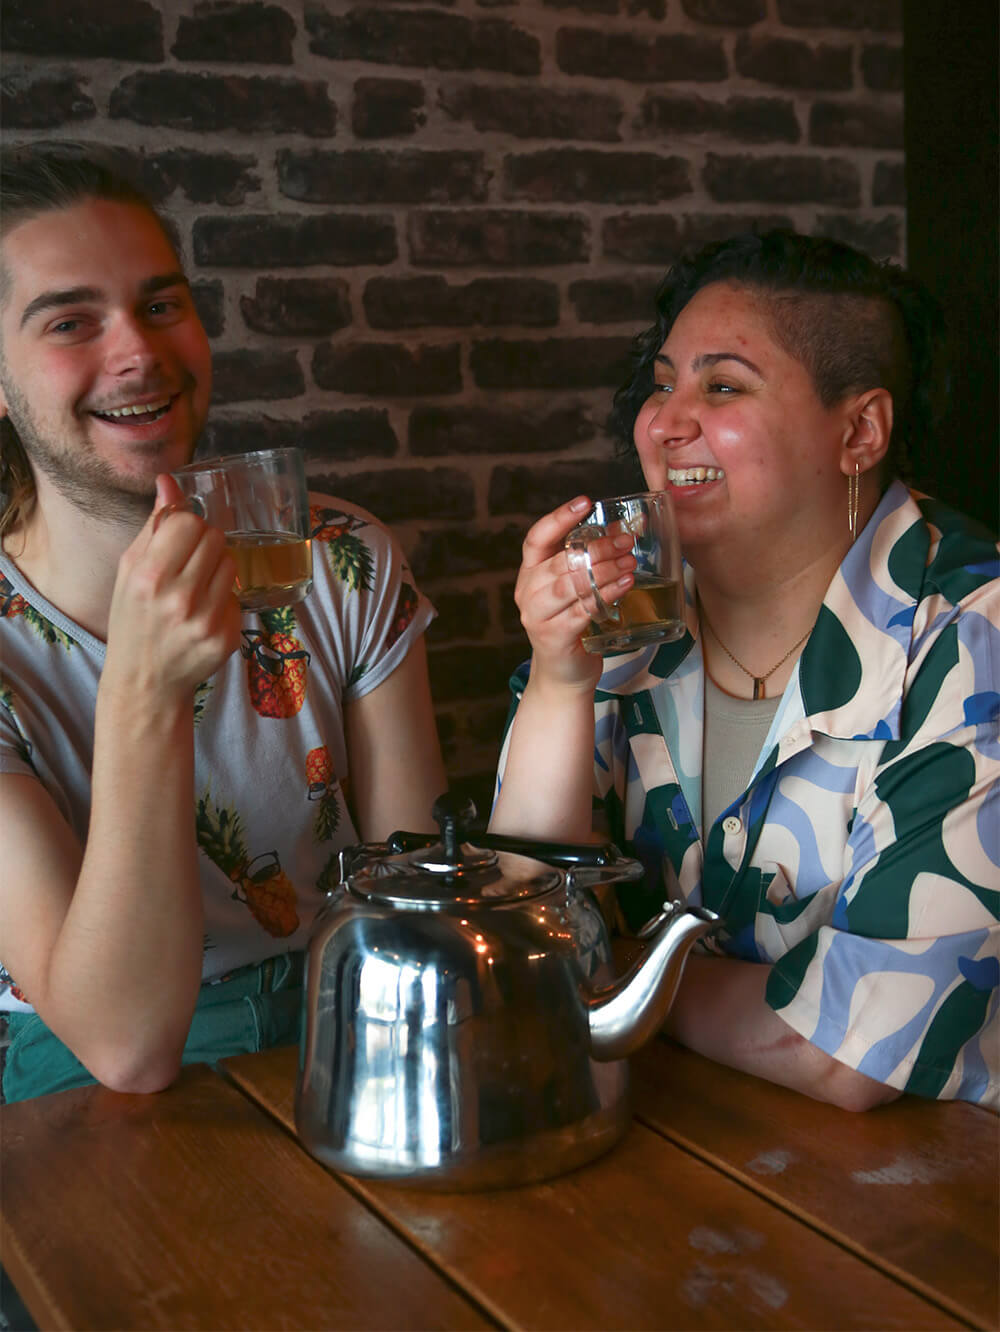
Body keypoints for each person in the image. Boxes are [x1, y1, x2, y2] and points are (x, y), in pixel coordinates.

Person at [490, 230, 999, 1112]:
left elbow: (853, 1048)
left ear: (859, 431)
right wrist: (559, 680)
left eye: (722, 387)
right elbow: (516, 916)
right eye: (662, 383)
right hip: (672, 1138)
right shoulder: (632, 619)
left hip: (934, 1175)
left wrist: (609, 974)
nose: (664, 422)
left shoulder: (971, 637)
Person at [0, 142, 447, 1103]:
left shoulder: (339, 556)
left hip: (345, 1007)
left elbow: (413, 891)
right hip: (80, 1074)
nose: (140, 353)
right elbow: (124, 1045)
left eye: (162, 306)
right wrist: (143, 691)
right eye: (72, 322)